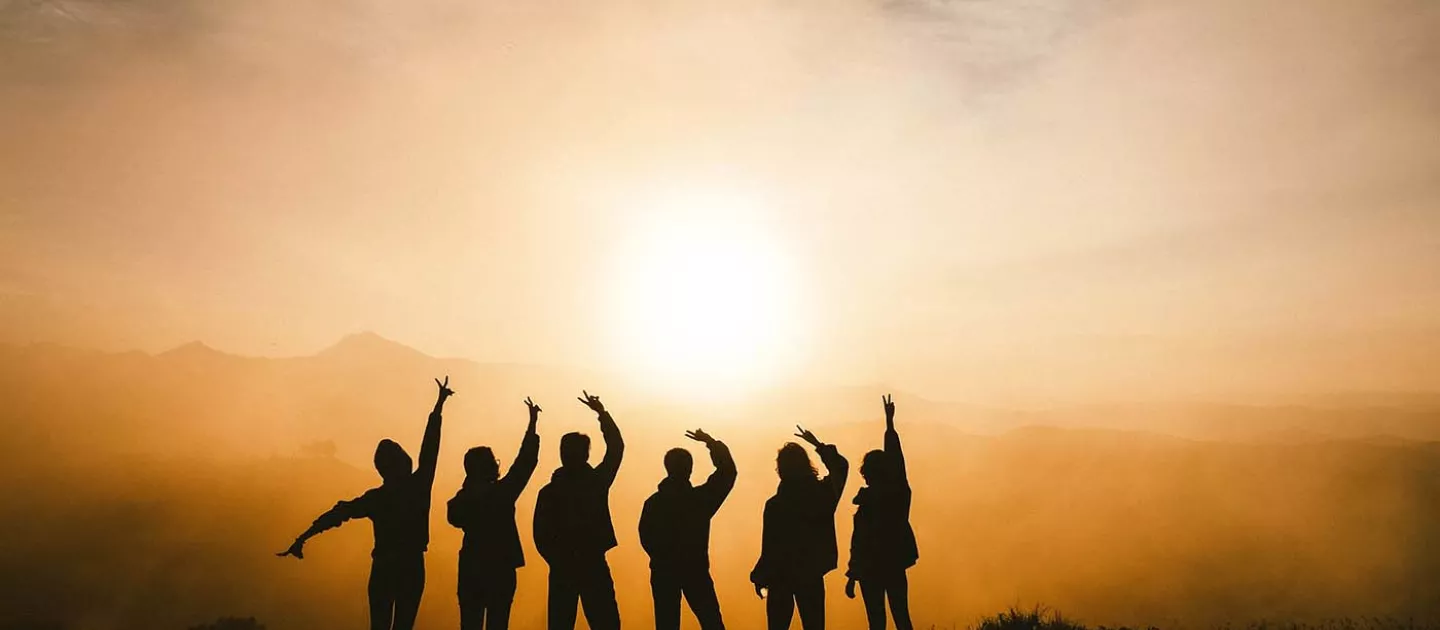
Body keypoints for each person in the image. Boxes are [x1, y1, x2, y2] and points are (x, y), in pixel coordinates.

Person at [278, 376, 455, 630]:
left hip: (383, 568)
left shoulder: (376, 498)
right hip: (411, 566)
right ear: (403, 462)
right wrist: (438, 407)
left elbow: (338, 513)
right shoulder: (418, 486)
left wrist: (303, 537)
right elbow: (430, 448)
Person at [447, 396, 543, 630]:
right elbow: (525, 463)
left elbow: (453, 517)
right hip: (501, 569)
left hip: (471, 569)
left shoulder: (463, 499)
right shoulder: (502, 494)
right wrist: (532, 425)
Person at [533, 391, 625, 630]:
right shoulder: (596, 482)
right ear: (586, 454)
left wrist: (557, 559)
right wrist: (602, 414)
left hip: (562, 567)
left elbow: (540, 535)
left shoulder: (550, 492)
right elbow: (616, 448)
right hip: (592, 563)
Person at [751, 425, 849, 630]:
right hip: (811, 574)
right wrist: (819, 446)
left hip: (780, 577)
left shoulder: (775, 504)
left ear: (781, 469)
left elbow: (770, 547)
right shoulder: (823, 495)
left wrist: (760, 576)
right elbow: (841, 467)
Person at [639, 429, 738, 630]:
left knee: (667, 624)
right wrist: (711, 443)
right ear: (690, 469)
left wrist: (662, 556)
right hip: (695, 570)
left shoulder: (654, 503)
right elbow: (728, 472)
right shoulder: (699, 500)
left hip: (664, 571)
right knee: (711, 623)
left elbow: (645, 536)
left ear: (667, 468)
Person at [844, 395, 918, 630]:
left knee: (876, 622)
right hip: (893, 564)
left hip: (870, 569)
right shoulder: (897, 496)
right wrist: (889, 426)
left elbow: (859, 542)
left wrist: (853, 574)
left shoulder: (875, 501)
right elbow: (897, 463)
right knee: (901, 616)